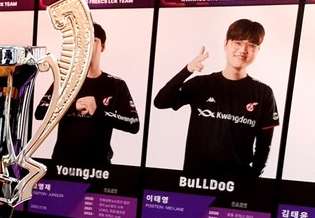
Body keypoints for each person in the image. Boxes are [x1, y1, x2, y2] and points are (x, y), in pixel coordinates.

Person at [153, 18, 278, 179]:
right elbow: (160, 102)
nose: (243, 50)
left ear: (258, 50)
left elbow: (264, 145)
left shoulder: (263, 93)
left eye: (251, 45)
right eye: (238, 43)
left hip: (236, 181)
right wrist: (187, 70)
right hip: (195, 179)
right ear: (225, 44)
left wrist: (251, 179)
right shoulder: (201, 84)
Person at [35, 22, 139, 167]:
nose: (88, 46)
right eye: (84, 41)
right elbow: (40, 112)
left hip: (99, 166)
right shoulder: (65, 80)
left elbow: (133, 124)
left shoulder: (116, 84)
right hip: (62, 164)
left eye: (94, 40)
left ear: (102, 47)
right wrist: (71, 106)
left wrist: (98, 112)